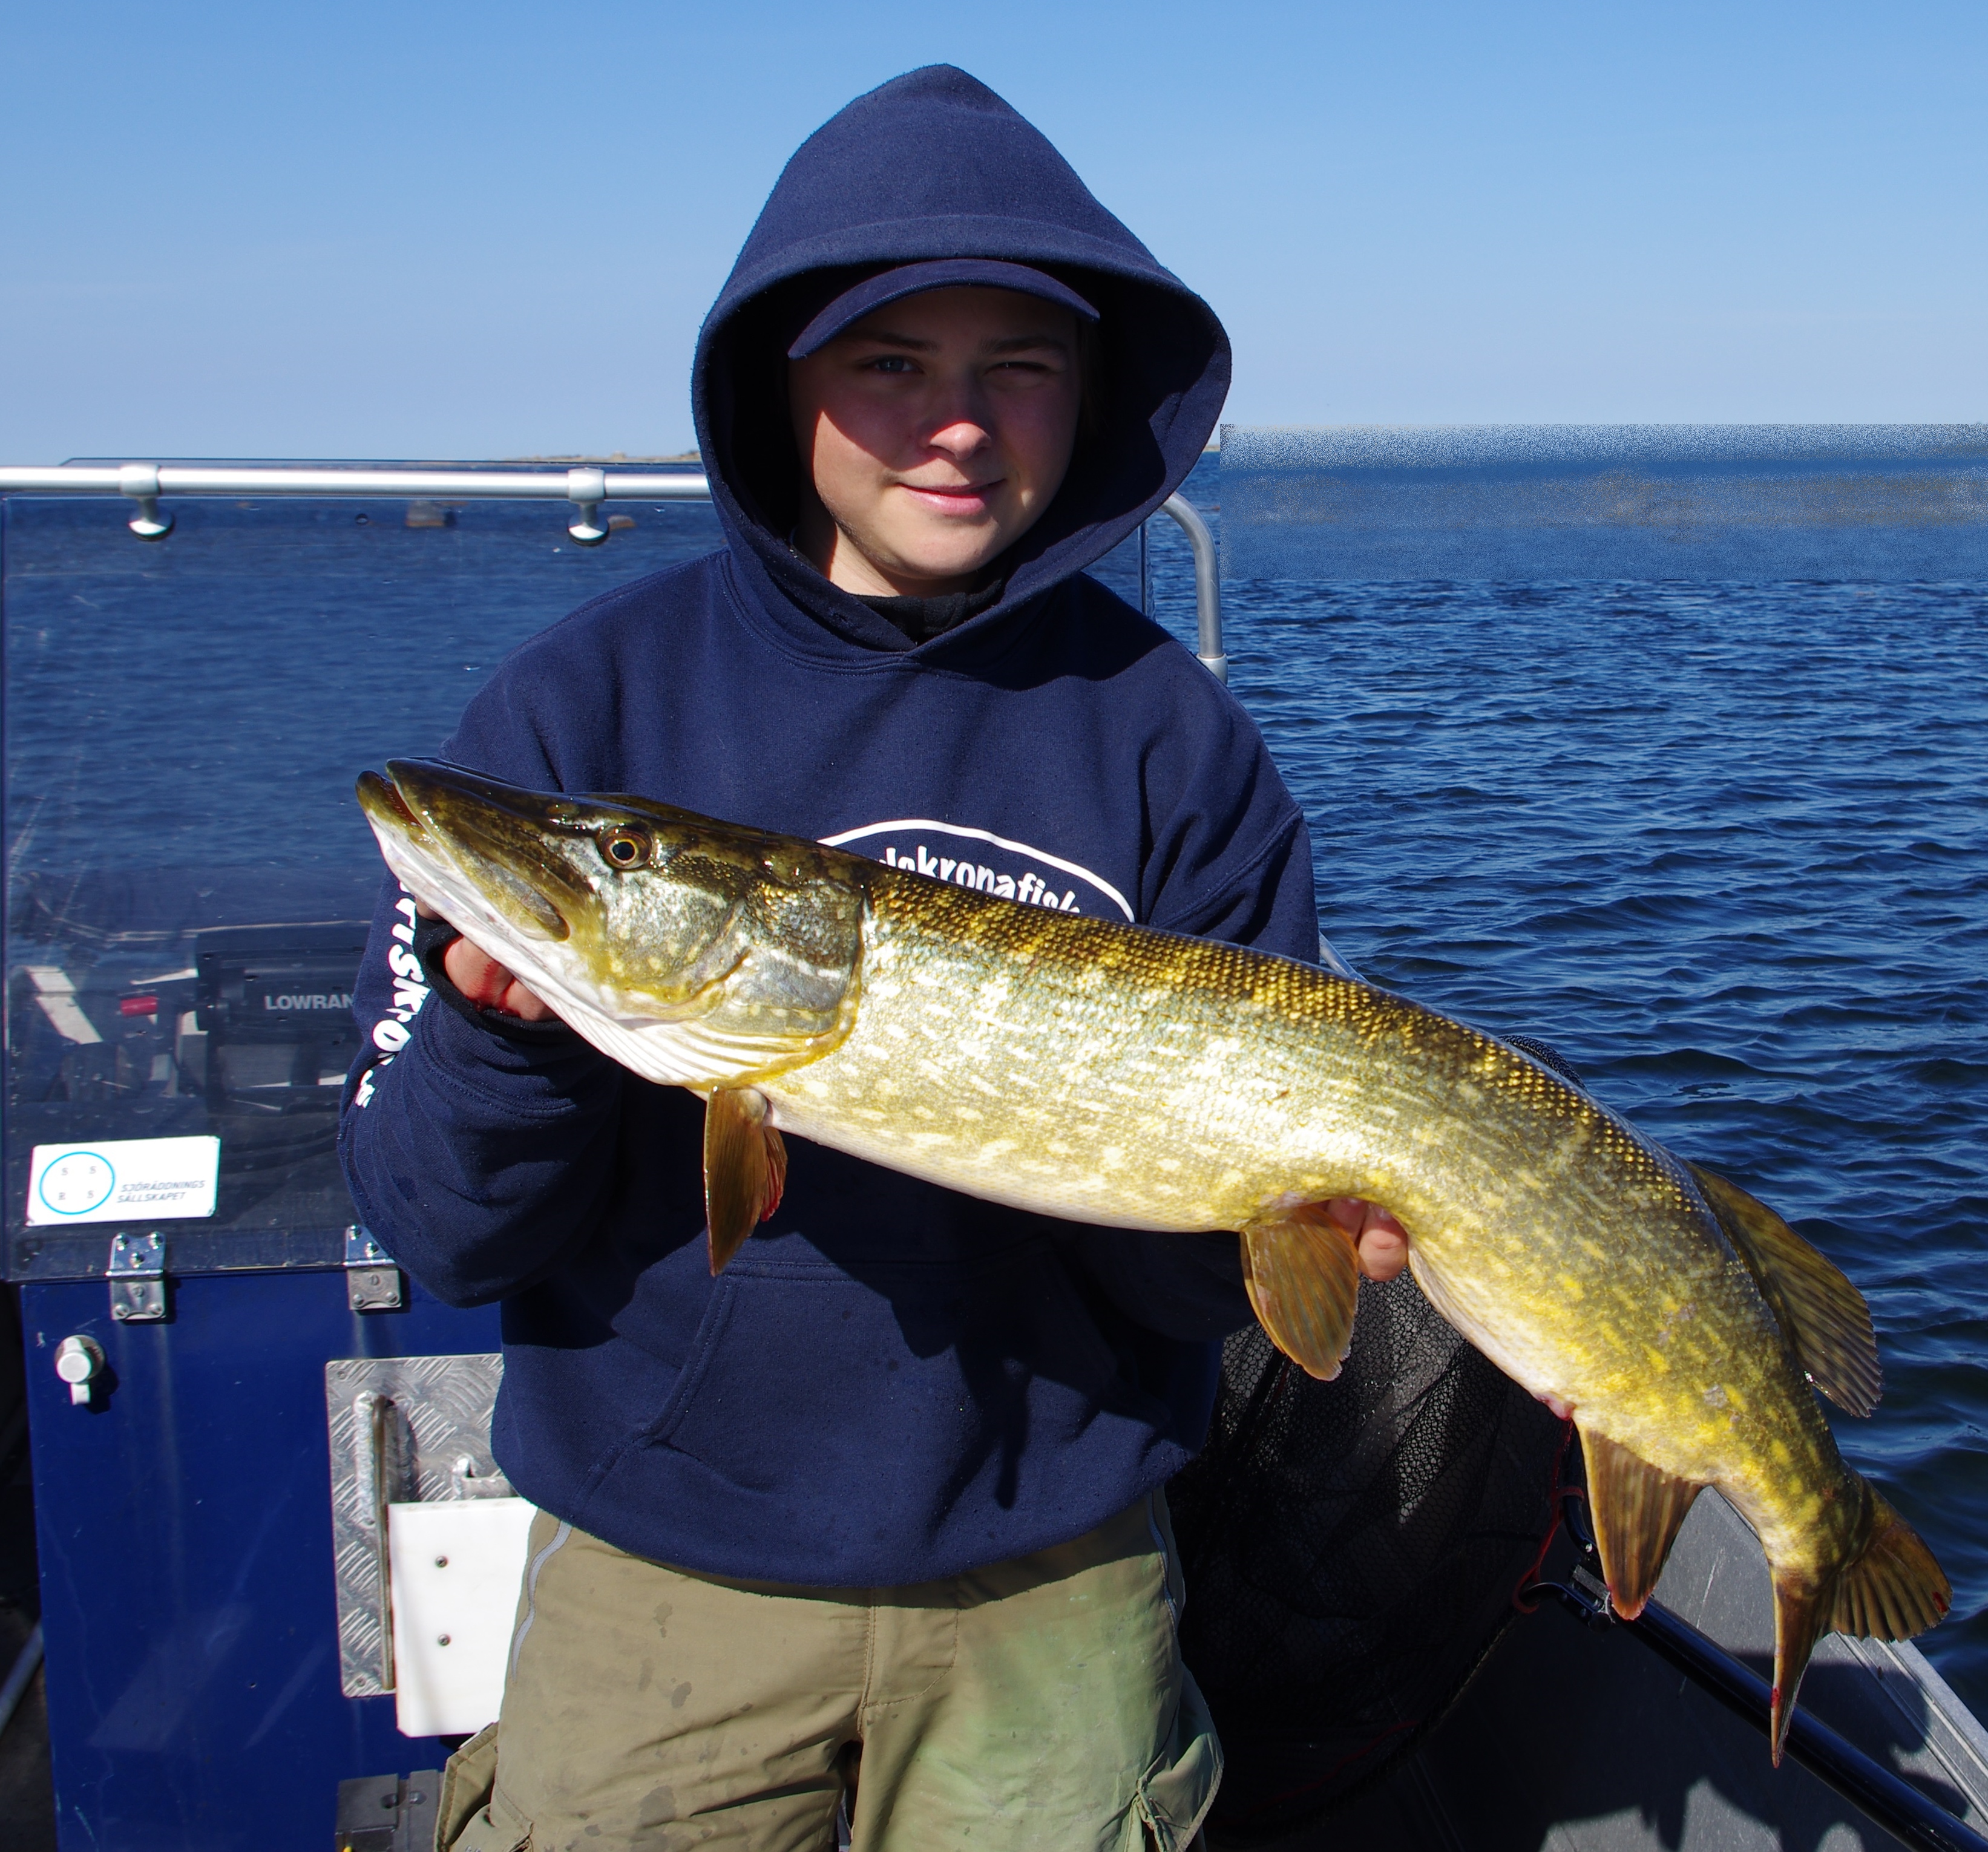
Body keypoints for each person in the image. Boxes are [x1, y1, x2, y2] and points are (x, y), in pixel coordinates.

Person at [340, 65, 1405, 1852]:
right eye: (891, 362)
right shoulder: (582, 707)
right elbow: (444, 1237)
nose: (958, 426)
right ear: (783, 384)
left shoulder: (1173, 743)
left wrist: (1271, 1226)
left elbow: (1190, 1300)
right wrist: (509, 1037)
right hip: (669, 1565)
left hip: (1054, 1573)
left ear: (1093, 398)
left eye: (1020, 369)